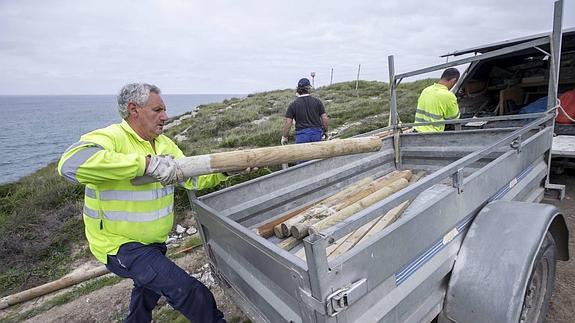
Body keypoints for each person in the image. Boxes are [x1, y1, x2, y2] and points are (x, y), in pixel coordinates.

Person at [58, 83, 227, 323]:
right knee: (188, 291)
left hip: (153, 242)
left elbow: (191, 179)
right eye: (157, 110)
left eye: (164, 110)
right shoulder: (113, 137)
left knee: (146, 288)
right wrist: (145, 164)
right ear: (133, 109)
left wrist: (225, 172)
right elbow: (70, 163)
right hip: (119, 246)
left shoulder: (165, 144)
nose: (165, 116)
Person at [281, 78, 329, 145]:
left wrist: (285, 137)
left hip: (301, 135)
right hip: (316, 134)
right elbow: (324, 118)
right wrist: (326, 131)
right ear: (309, 88)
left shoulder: (293, 105)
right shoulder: (317, 102)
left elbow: (288, 122)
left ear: (298, 89)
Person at [413, 68, 461, 133]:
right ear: (453, 81)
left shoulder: (426, 90)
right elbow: (454, 118)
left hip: (416, 132)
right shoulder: (448, 95)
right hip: (432, 135)